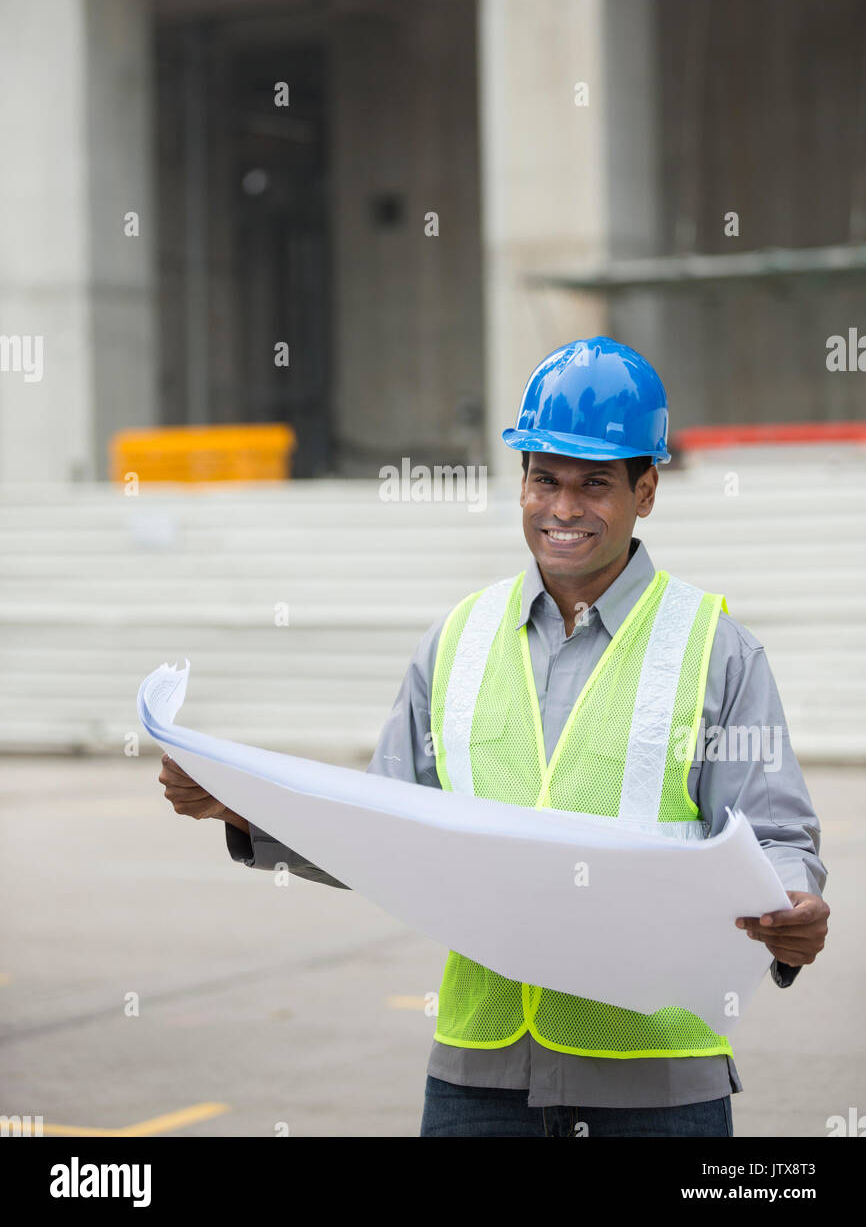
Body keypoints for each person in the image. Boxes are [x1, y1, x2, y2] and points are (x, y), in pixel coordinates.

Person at [160, 336, 829, 1138]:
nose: (564, 508)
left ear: (646, 490)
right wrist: (240, 811)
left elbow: (779, 836)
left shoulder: (716, 648)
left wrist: (797, 905)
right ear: (520, 483)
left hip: (657, 1085)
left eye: (595, 484)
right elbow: (380, 829)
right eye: (544, 478)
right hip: (478, 1083)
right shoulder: (456, 641)